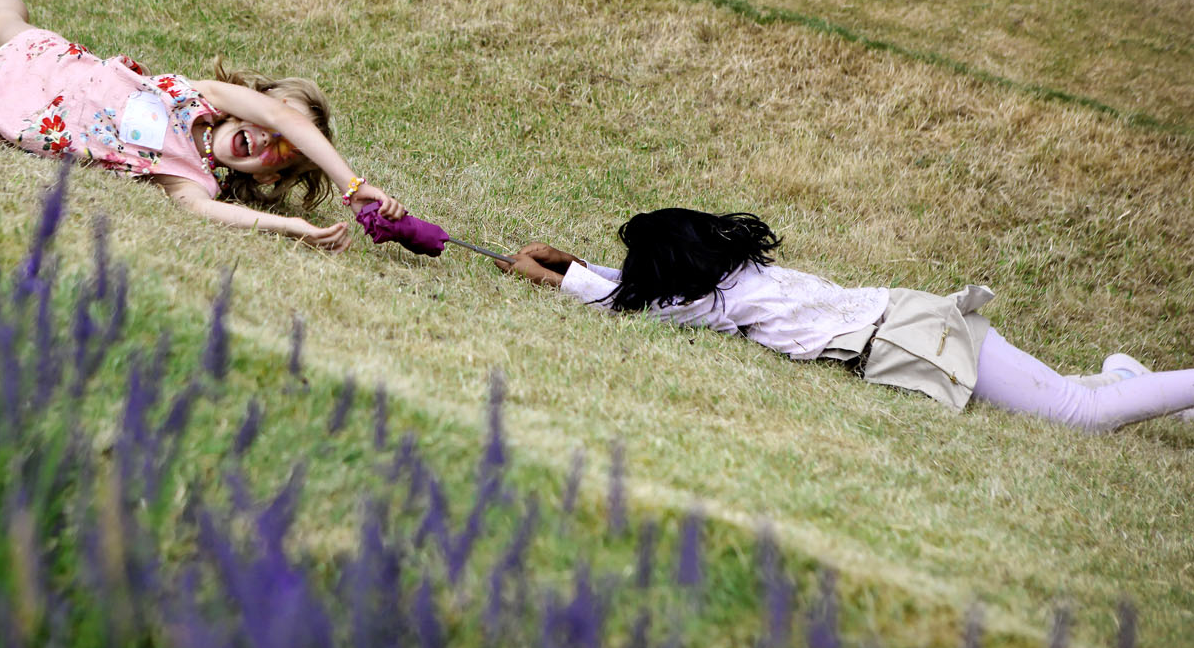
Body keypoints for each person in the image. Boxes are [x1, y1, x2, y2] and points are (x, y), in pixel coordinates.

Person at [495, 208, 1194, 432]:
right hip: (909, 316)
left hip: (909, 335)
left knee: (1077, 415)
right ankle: (1127, 377)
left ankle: (1156, 386)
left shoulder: (717, 301)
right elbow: (646, 290)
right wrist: (574, 262)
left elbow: (634, 305)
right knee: (1060, 394)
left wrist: (561, 279)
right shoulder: (731, 277)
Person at [0, 0, 403, 249]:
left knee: (0, 56)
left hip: (31, 117)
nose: (269, 135)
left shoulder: (194, 176)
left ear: (272, 178)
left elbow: (205, 211)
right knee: (3, 30)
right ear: (254, 104)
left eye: (284, 150)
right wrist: (352, 185)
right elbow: (286, 119)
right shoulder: (208, 99)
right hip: (61, 66)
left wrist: (293, 226)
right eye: (273, 121)